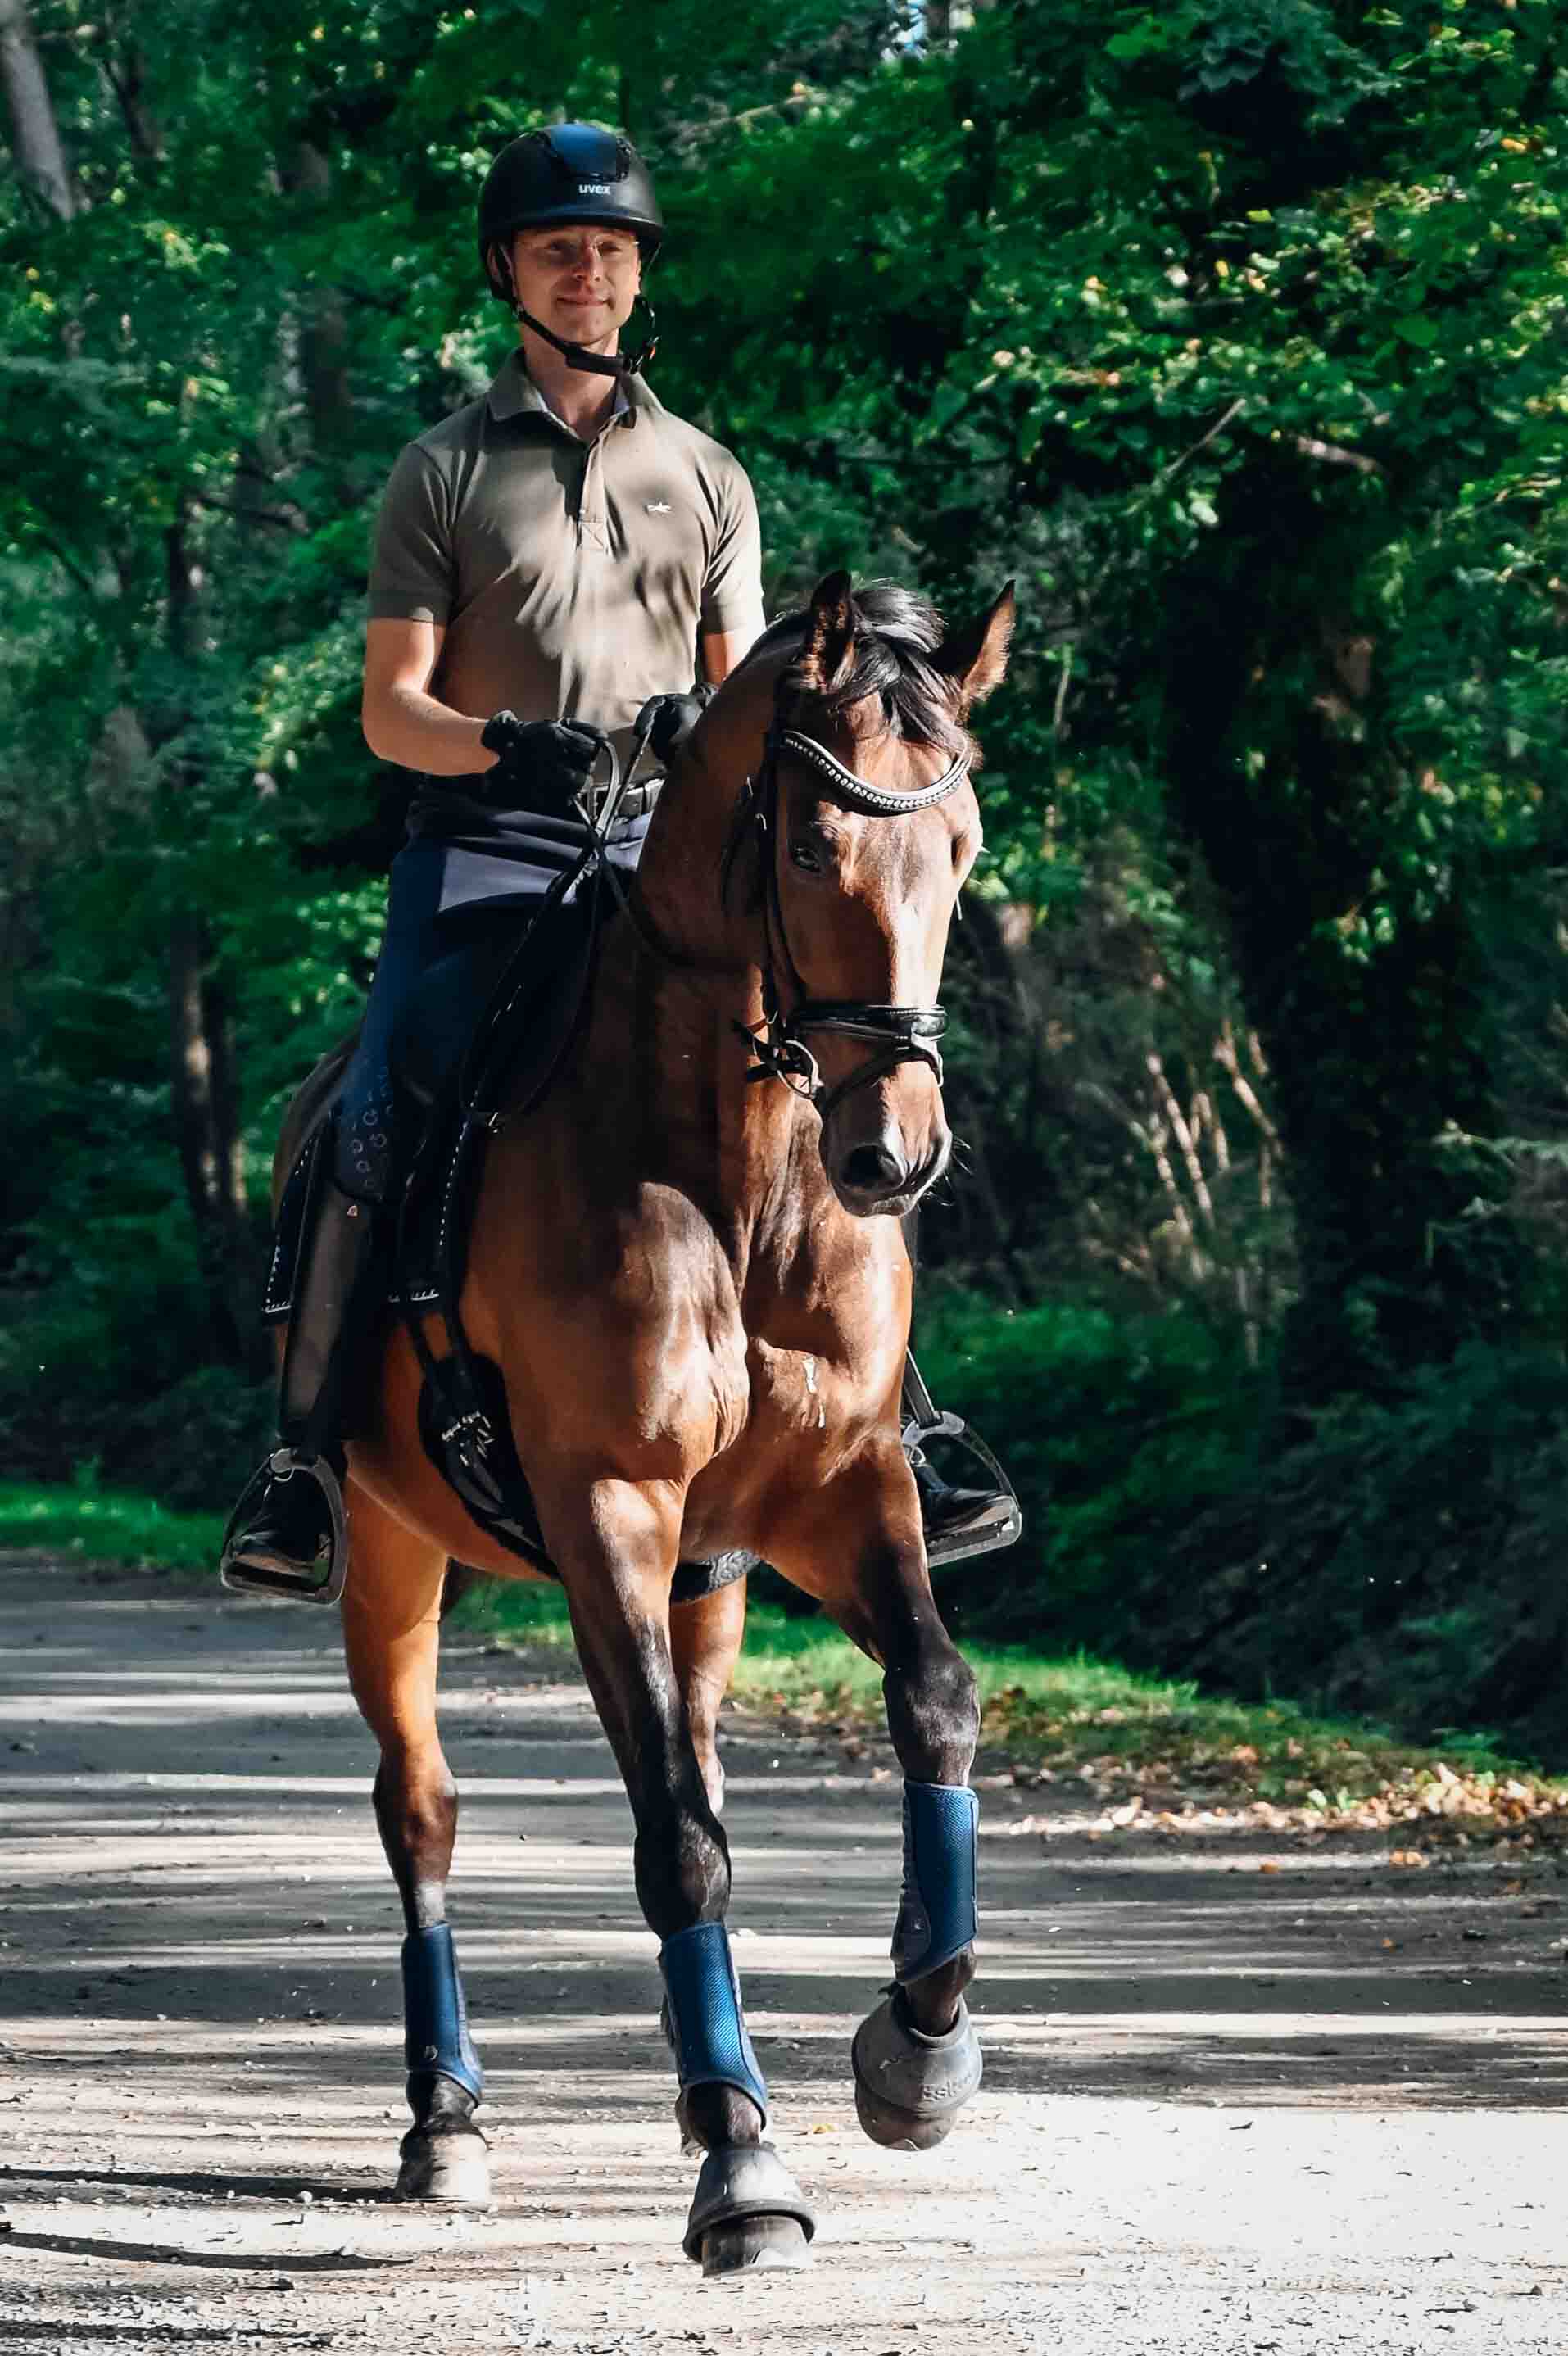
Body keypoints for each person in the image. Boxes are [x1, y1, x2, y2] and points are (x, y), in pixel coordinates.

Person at [220, 121, 1014, 1603]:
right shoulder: (441, 471)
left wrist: (692, 744)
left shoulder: (707, 475)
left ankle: (904, 1418)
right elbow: (392, 712)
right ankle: (305, 1461)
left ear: (639, 275)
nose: (588, 273)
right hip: (490, 847)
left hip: (669, 862)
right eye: (558, 251)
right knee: (372, 1109)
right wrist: (503, 744)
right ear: (509, 273)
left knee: (820, 1095)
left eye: (611, 251)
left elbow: (748, 702)